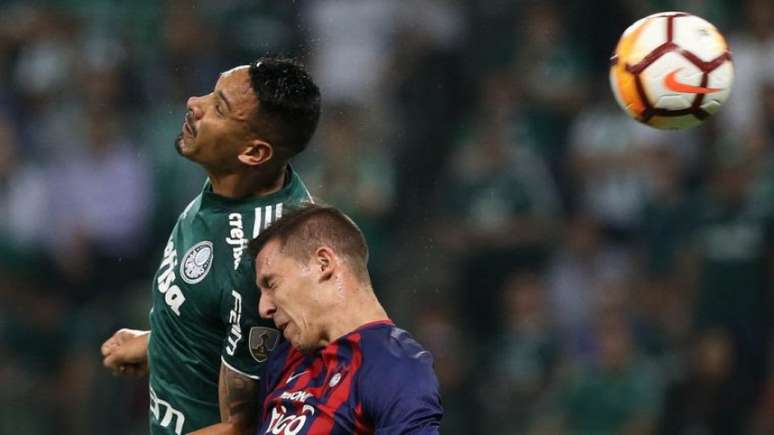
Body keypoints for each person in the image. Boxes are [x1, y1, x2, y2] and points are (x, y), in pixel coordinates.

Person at [100, 57, 321, 435]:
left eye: (219, 106)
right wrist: (158, 345)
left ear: (253, 153)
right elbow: (218, 317)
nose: (193, 102)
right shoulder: (236, 184)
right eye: (211, 91)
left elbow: (242, 426)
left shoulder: (263, 263)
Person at [249, 204, 443, 434]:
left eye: (271, 284)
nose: (264, 308)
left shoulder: (395, 367)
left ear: (323, 263)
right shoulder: (282, 362)